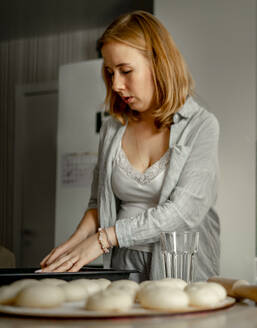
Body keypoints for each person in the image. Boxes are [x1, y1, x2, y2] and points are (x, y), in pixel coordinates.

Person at [39, 11, 220, 282]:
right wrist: (74, 244)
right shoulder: (113, 128)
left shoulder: (200, 125)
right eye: (110, 73)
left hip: (178, 267)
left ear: (159, 63)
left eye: (126, 71)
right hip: (123, 262)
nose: (116, 85)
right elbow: (97, 204)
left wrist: (104, 240)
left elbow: (183, 212)